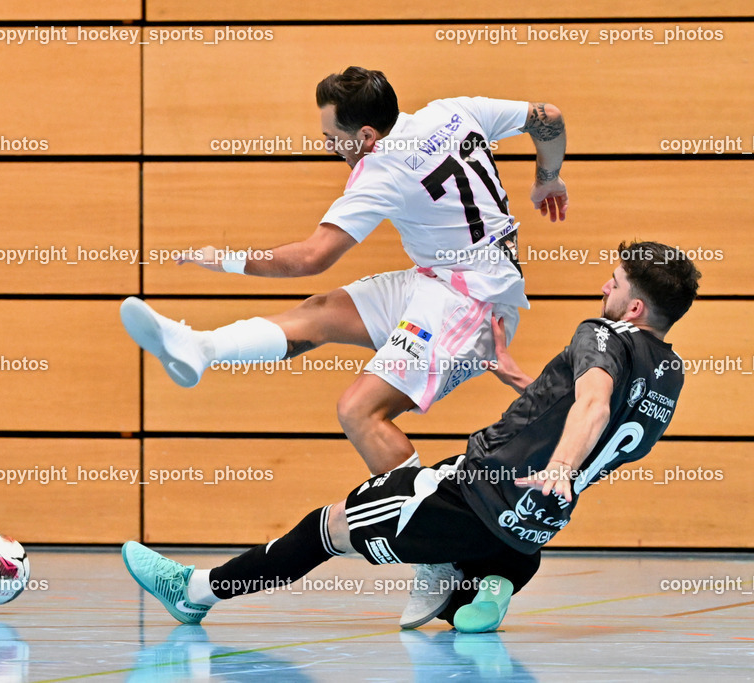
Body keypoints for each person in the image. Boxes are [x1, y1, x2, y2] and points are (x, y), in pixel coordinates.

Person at [121, 241, 701, 633]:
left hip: (473, 496)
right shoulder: (669, 372)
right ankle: (491, 582)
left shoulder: (604, 333)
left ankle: (196, 591)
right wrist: (521, 380)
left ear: (633, 307)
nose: (603, 286)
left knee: (327, 529)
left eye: (613, 282)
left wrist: (561, 468)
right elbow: (596, 411)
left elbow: (593, 404)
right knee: (495, 548)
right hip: (533, 524)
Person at [121, 66, 568, 477]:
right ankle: (201, 347)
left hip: (475, 303)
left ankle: (428, 534)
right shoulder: (452, 111)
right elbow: (547, 117)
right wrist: (547, 178)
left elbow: (311, 258)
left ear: (367, 135)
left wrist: (226, 259)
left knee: (359, 411)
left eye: (333, 137)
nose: (329, 146)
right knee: (322, 312)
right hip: (440, 279)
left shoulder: (382, 169)